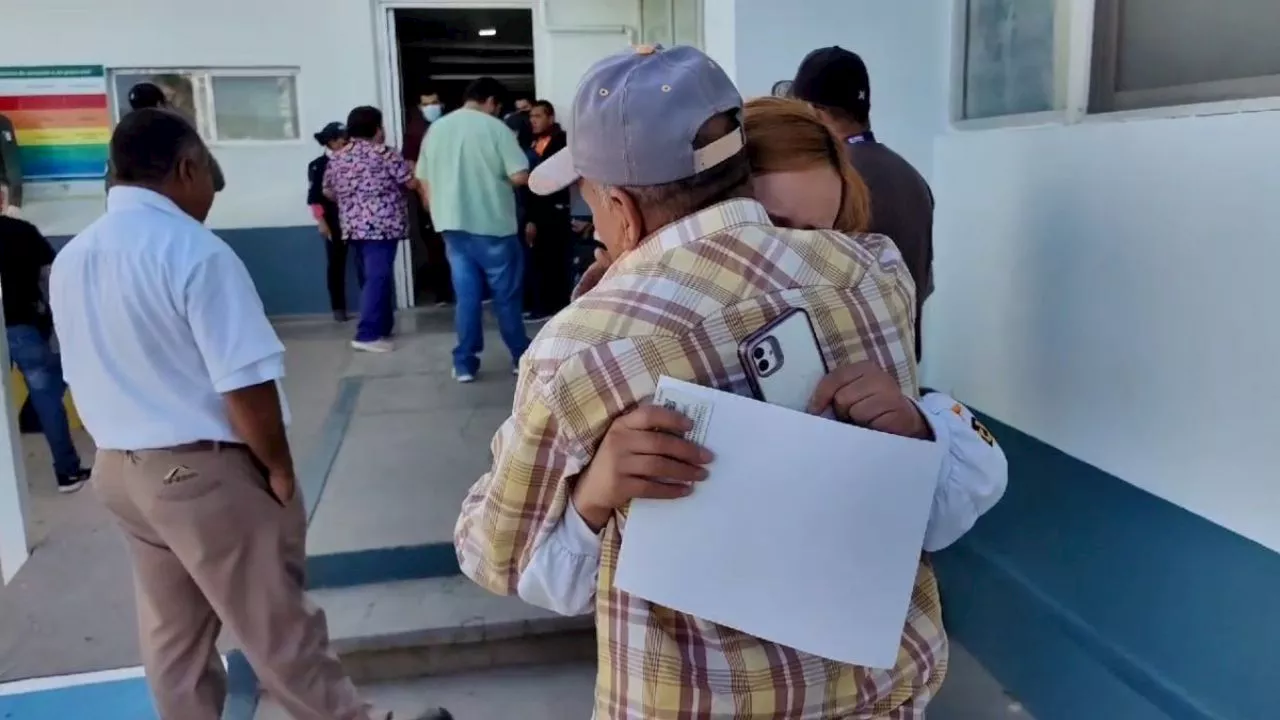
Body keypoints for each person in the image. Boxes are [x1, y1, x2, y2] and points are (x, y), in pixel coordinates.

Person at [454, 45, 1003, 719]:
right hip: (880, 694)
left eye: (589, 200)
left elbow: (498, 556)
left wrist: (595, 495)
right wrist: (923, 429)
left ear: (621, 210)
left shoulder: (583, 347)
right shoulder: (873, 270)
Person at [50, 109, 449, 720]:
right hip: (201, 479)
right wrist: (280, 469)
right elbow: (245, 384)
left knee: (174, 638)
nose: (212, 192)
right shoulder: (195, 252)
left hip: (120, 473)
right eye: (209, 174)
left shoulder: (77, 255)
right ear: (186, 167)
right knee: (278, 627)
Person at [787, 46, 934, 360]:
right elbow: (925, 280)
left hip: (849, 376)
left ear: (814, 111)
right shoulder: (912, 176)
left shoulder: (831, 178)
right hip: (901, 363)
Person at [418, 76, 531, 383]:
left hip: (452, 225)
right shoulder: (497, 129)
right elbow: (520, 175)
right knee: (506, 297)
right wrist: (497, 183)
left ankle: (465, 363)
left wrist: (437, 204)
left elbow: (423, 180)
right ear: (492, 101)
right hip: (492, 224)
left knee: (466, 296)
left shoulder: (436, 129)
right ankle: (521, 357)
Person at [0, 198, 90, 493]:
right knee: (48, 395)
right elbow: (50, 277)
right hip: (23, 325)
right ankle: (67, 472)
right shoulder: (23, 231)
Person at [324, 105, 419, 353]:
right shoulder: (385, 154)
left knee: (373, 277)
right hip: (382, 227)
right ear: (377, 128)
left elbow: (328, 191)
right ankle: (367, 334)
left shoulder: (337, 157)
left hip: (353, 227)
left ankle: (383, 326)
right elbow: (410, 182)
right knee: (378, 278)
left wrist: (351, 202)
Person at [120, 82, 225, 193]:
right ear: (160, 104)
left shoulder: (122, 140)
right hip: (175, 204)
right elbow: (216, 180)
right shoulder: (179, 131)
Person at [521, 100, 572, 321]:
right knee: (538, 259)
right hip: (536, 208)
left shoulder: (561, 141)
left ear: (550, 118)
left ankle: (551, 306)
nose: (533, 120)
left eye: (538, 116)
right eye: (531, 116)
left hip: (554, 208)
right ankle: (539, 303)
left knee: (553, 259)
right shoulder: (532, 142)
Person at [308, 121, 357, 321]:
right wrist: (321, 221)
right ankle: (339, 308)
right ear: (332, 142)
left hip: (355, 217)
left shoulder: (354, 161)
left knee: (364, 261)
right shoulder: (319, 165)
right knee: (336, 265)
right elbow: (314, 196)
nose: (346, 142)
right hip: (332, 221)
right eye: (342, 139)